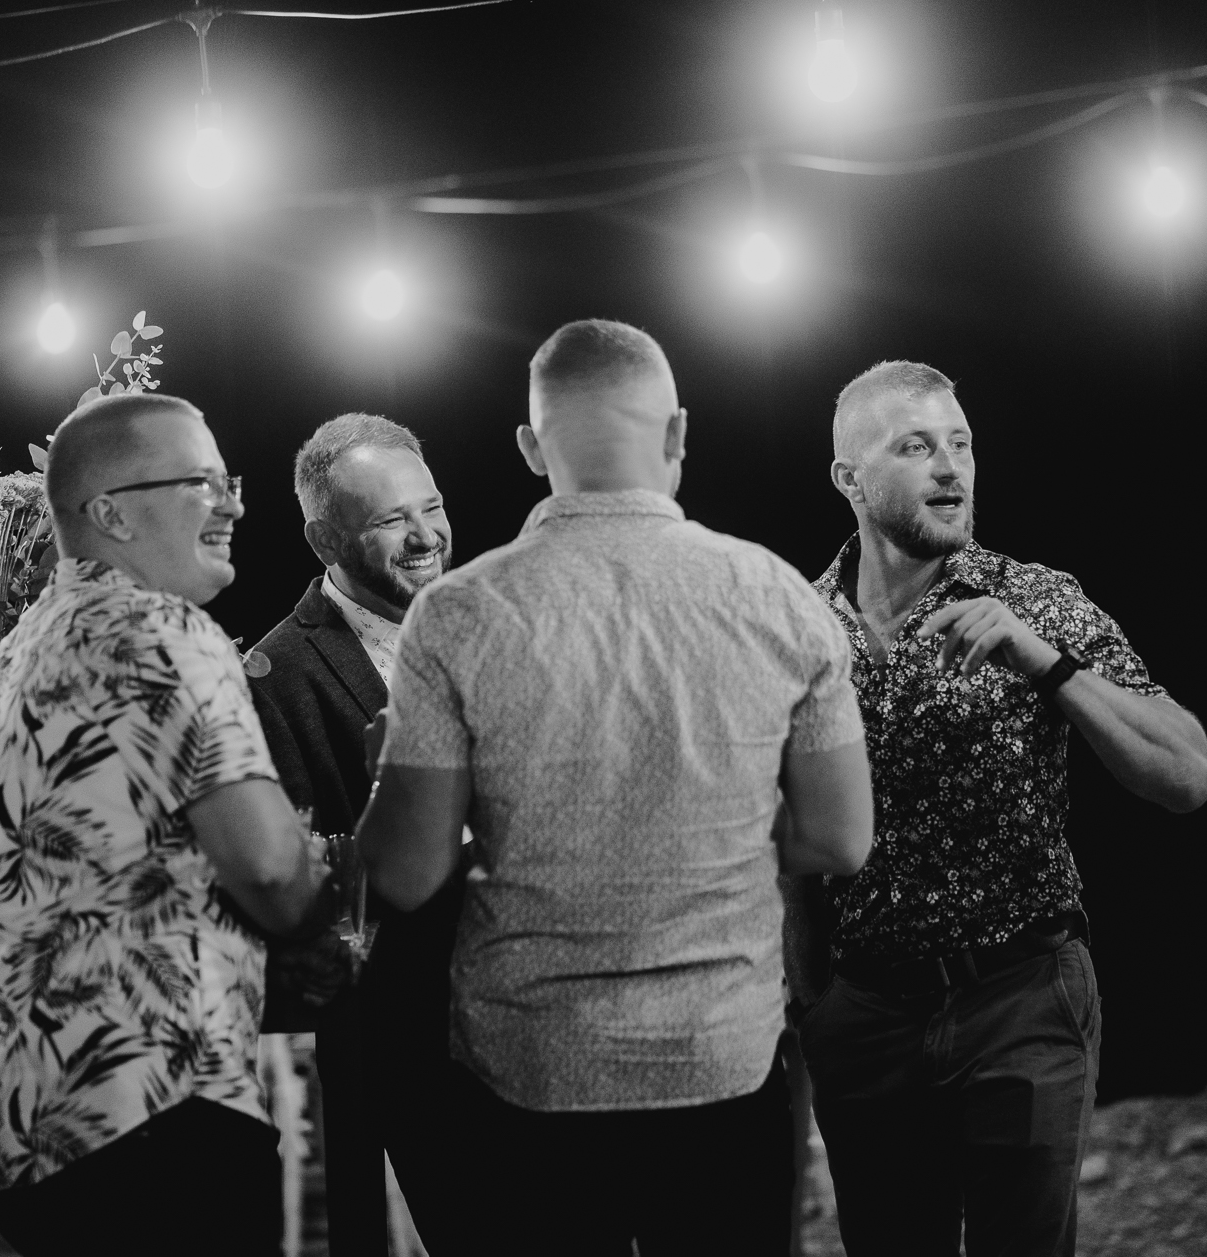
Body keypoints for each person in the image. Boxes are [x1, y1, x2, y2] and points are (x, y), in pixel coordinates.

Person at [356, 319, 876, 1256]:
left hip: (532, 1070)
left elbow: (405, 871)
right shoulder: (778, 597)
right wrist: (715, 826)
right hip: (722, 1059)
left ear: (531, 446)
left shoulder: (457, 614)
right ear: (677, 433)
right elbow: (842, 837)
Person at [789, 360, 1207, 1257]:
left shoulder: (1033, 599)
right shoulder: (796, 627)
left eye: (961, 442)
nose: (951, 466)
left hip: (1019, 997)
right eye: (916, 446)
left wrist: (1044, 661)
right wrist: (814, 1001)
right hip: (866, 1017)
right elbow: (776, 824)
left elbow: (1187, 774)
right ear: (849, 479)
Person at [0, 392, 329, 1257]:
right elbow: (270, 869)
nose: (231, 505)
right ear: (110, 513)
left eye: (229, 481)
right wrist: (338, 876)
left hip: (25, 1133)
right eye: (201, 484)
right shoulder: (164, 630)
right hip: (156, 1113)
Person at [245, 413, 472, 1256]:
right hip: (418, 1045)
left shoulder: (490, 623)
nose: (425, 536)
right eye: (391, 519)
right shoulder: (273, 677)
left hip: (548, 1022)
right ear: (324, 538)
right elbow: (307, 892)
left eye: (432, 506)